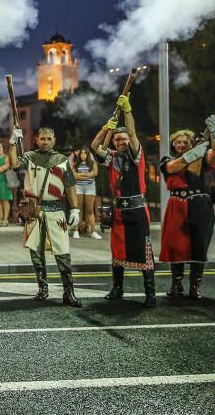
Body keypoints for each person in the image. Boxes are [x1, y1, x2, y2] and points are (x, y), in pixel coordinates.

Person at [92, 94, 156, 308]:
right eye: (117, 140)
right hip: (119, 213)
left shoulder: (136, 156)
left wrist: (127, 111)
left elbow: (132, 131)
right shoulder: (111, 158)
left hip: (138, 211)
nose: (121, 142)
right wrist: (105, 128)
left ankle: (150, 293)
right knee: (117, 252)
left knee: (144, 252)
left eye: (124, 140)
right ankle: (117, 288)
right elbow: (94, 146)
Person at [8, 127, 82, 307]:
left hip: (56, 211)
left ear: (54, 140)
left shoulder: (62, 161)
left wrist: (75, 209)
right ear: (37, 139)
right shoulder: (30, 157)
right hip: (34, 211)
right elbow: (14, 164)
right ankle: (43, 288)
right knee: (36, 252)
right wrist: (12, 142)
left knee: (63, 252)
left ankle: (68, 291)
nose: (45, 141)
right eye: (42, 138)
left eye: (49, 138)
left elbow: (70, 185)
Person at [158, 117, 215, 300]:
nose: (181, 144)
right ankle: (176, 285)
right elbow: (174, 167)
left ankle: (195, 286)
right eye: (177, 142)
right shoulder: (167, 160)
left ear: (191, 143)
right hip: (177, 205)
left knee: (199, 246)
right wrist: (196, 152)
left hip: (200, 205)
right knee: (175, 246)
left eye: (185, 142)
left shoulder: (201, 159)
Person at [71, 148, 100, 239]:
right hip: (79, 187)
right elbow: (74, 175)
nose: (83, 155)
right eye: (81, 153)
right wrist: (87, 175)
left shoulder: (92, 163)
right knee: (78, 210)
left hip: (90, 187)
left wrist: (82, 175)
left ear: (88, 155)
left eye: (85, 153)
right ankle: (76, 231)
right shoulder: (76, 164)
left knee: (90, 210)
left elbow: (95, 173)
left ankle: (93, 232)